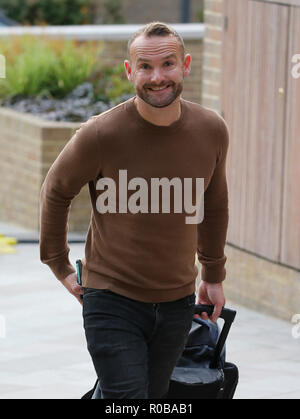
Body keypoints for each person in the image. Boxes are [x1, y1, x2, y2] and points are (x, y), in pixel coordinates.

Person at [39, 21, 229, 399]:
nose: (157, 77)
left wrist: (212, 273)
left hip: (177, 301)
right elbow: (56, 190)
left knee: (151, 398)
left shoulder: (211, 130)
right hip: (111, 298)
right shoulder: (101, 134)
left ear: (186, 65)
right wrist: (59, 264)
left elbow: (214, 201)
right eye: (145, 66)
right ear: (130, 71)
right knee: (127, 398)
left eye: (168, 64)